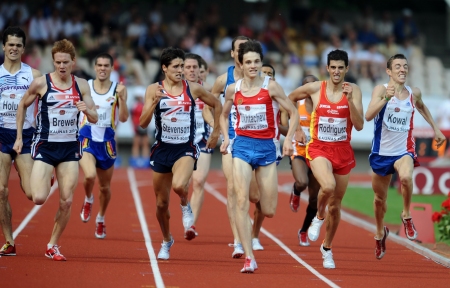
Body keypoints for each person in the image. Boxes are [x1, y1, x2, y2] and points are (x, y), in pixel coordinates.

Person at [14, 39, 98, 261]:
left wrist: (86, 110)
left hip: (70, 149)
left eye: (65, 62)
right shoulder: (41, 83)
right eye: (58, 62)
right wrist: (20, 137)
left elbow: (96, 117)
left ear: (73, 62)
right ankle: (44, 178)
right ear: (53, 61)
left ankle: (52, 245)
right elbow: (22, 105)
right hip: (46, 146)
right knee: (39, 198)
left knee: (66, 201)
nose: (61, 66)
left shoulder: (81, 85)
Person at [221, 40, 298, 273]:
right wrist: (226, 138)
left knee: (269, 209)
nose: (252, 66)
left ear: (261, 62)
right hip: (242, 147)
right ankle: (249, 256)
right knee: (242, 200)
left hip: (266, 149)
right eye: (248, 62)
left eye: (256, 61)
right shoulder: (233, 89)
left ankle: (250, 234)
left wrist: (288, 142)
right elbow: (223, 115)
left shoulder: (271, 86)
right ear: (241, 64)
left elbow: (293, 113)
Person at [139, 47, 222, 260]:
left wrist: (216, 132)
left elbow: (217, 103)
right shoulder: (153, 89)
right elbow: (142, 123)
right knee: (160, 205)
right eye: (176, 67)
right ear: (164, 68)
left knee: (178, 185)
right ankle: (167, 240)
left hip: (186, 147)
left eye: (181, 66)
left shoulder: (193, 89)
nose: (180, 70)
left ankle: (185, 205)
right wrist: (154, 102)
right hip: (161, 149)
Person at [288, 49, 364, 269]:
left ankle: (327, 248)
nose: (337, 71)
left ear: (346, 69)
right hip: (319, 148)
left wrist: (350, 102)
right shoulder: (315, 88)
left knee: (336, 207)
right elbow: (290, 99)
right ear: (327, 68)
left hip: (343, 151)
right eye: (333, 67)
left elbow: (359, 125)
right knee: (328, 186)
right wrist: (296, 130)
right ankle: (318, 218)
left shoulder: (354, 90)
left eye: (341, 67)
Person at [364, 54, 445, 260]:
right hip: (382, 153)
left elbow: (421, 106)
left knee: (407, 178)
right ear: (389, 71)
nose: (403, 69)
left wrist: (435, 129)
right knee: (379, 200)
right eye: (398, 66)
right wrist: (385, 98)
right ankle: (380, 232)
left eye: (405, 66)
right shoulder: (381, 90)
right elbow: (368, 115)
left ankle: (406, 215)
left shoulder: (413, 93)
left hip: (404, 151)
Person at [0, 26, 43, 256]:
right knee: (0, 190)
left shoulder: (34, 75)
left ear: (23, 48)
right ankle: (9, 241)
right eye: (10, 44)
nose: (14, 48)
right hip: (1, 134)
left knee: (33, 194)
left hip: (25, 136)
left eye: (18, 45)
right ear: (3, 46)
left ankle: (29, 174)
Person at [78, 52, 129, 238]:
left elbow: (123, 118)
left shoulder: (118, 89)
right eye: (99, 65)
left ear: (111, 68)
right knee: (90, 176)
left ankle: (100, 218)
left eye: (106, 65)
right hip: (87, 138)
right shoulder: (86, 87)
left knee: (105, 188)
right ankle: (88, 198)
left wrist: (123, 99)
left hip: (107, 142)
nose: (102, 68)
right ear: (94, 67)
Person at [210, 35, 250, 258]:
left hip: (255, 142)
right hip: (232, 140)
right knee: (234, 188)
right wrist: (216, 128)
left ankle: (247, 219)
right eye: (239, 48)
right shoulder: (222, 79)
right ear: (233, 53)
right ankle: (237, 240)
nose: (243, 51)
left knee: (253, 195)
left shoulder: (260, 77)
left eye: (247, 47)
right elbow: (209, 102)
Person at [250, 63, 289, 250]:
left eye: (269, 74)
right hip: (248, 147)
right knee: (250, 194)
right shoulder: (248, 93)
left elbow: (285, 126)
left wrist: (271, 122)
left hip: (270, 148)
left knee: (263, 203)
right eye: (263, 72)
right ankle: (239, 231)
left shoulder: (279, 99)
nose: (266, 75)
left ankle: (254, 236)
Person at [182, 53, 214, 233]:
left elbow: (219, 110)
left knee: (199, 181)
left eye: (199, 69)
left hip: (203, 139)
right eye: (191, 68)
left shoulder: (209, 90)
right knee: (183, 185)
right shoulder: (176, 89)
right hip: (182, 141)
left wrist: (216, 130)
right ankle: (186, 209)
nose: (195, 72)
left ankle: (191, 224)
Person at [290, 75, 321, 247]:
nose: (309, 89)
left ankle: (303, 231)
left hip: (317, 153)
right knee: (302, 182)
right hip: (300, 150)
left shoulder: (321, 105)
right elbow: (289, 117)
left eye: (313, 85)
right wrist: (296, 130)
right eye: (306, 86)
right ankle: (295, 191)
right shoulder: (297, 103)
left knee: (315, 200)